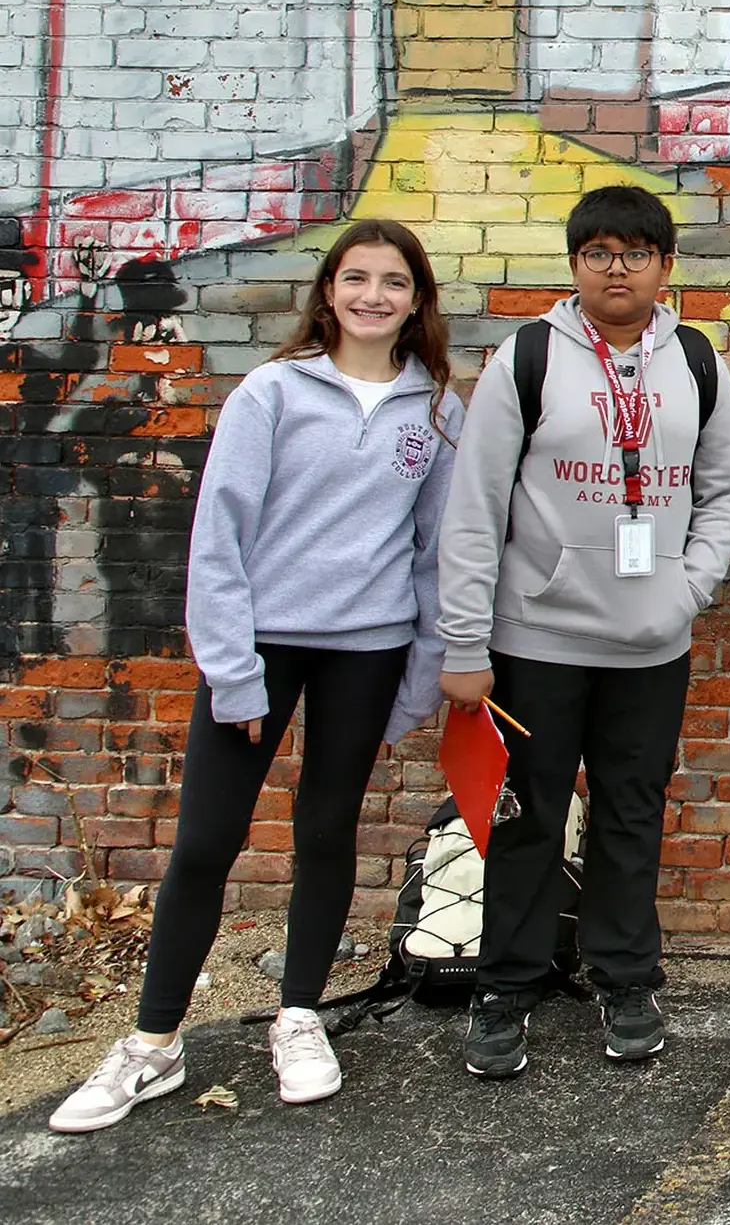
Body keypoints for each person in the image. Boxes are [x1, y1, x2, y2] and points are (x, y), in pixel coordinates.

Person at [50, 221, 462, 1132]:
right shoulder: (271, 393)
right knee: (206, 841)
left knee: (325, 830)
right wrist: (233, 673)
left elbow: (435, 555)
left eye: (394, 282)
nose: (374, 296)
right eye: (357, 278)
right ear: (327, 292)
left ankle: (301, 1013)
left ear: (416, 301)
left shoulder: (435, 408)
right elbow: (220, 536)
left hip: (370, 648)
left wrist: (418, 682)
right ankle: (153, 1043)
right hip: (264, 647)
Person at [437, 186, 730, 1077]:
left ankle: (624, 976)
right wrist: (465, 643)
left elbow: (727, 486)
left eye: (637, 253)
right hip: (536, 637)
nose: (618, 269)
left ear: (664, 265)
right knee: (528, 817)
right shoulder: (528, 357)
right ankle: (507, 988)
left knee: (631, 812)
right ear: (576, 263)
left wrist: (687, 587)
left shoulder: (695, 358)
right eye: (600, 253)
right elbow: (474, 507)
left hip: (651, 640)